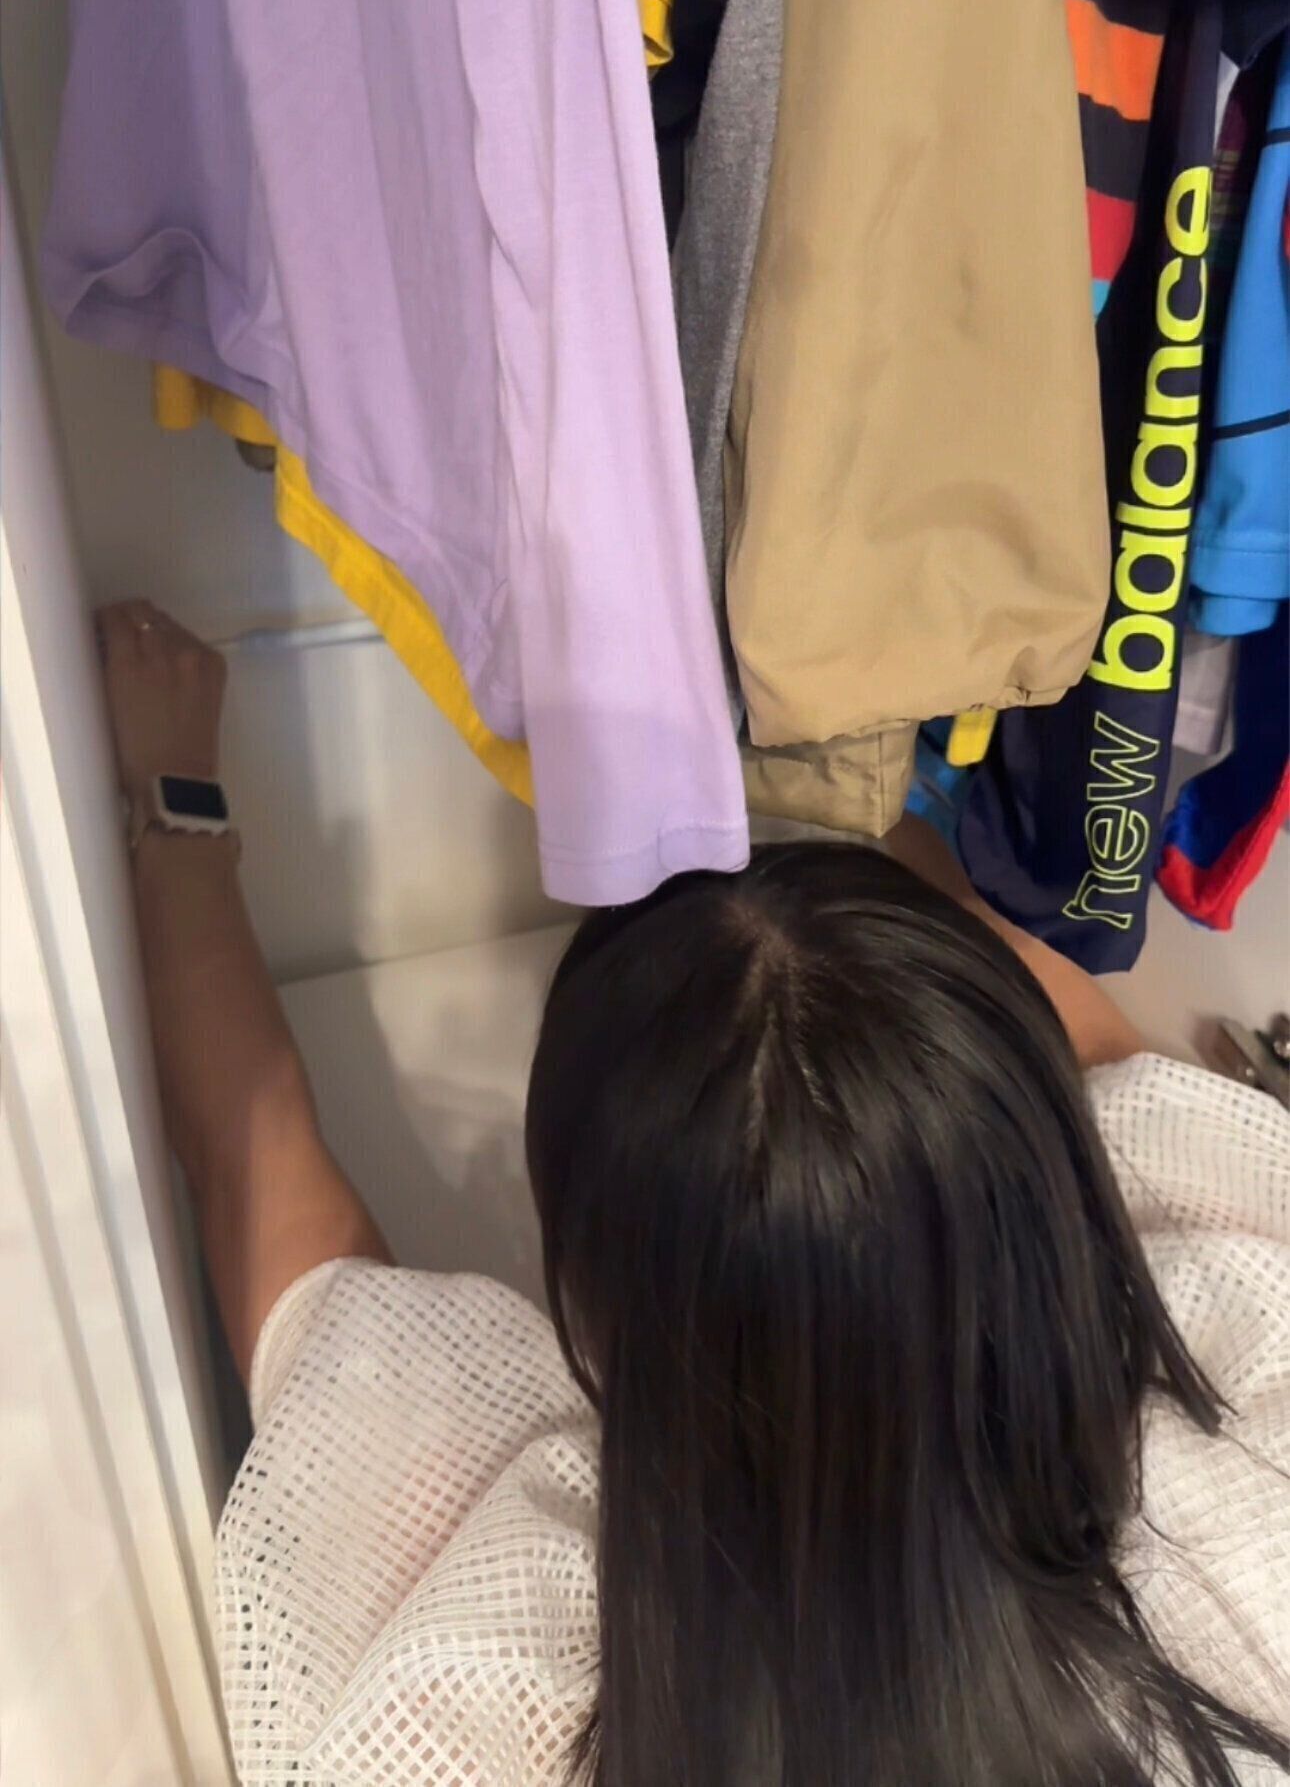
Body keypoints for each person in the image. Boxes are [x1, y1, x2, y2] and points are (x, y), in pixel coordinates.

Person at [98, 601, 1290, 1787]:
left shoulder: (478, 1683)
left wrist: (174, 791)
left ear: (587, 1289)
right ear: (1058, 1189)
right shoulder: (1251, 1467)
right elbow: (1097, 1056)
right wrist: (863, 755)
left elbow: (257, 1175)